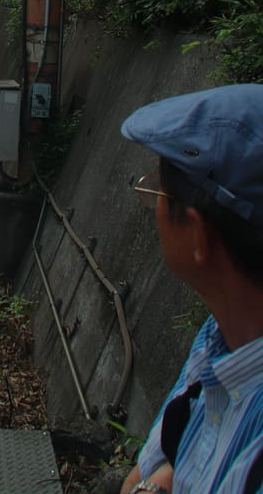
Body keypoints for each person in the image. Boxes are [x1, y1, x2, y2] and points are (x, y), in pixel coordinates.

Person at [119, 83, 263, 494]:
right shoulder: (220, 339)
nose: (154, 207)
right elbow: (142, 477)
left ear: (199, 236)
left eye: (158, 192)